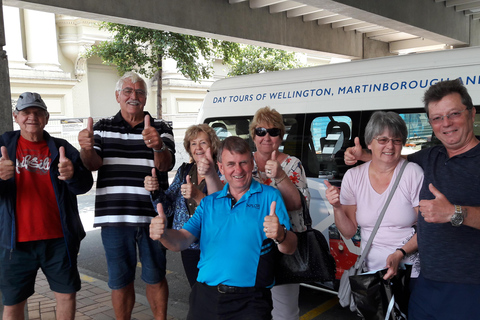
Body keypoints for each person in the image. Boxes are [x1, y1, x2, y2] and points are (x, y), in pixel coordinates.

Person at [344, 79, 480, 319]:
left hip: (470, 284)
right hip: (426, 283)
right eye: (437, 118)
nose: (446, 124)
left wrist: (454, 213)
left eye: (454, 114)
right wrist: (363, 154)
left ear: (472, 113)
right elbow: (389, 158)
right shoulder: (428, 157)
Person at [150, 136, 297, 320]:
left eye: (243, 163)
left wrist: (281, 235)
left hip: (250, 300)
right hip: (205, 298)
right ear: (221, 168)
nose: (238, 170)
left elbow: (290, 248)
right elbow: (183, 239)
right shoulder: (209, 202)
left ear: (252, 164)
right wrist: (163, 234)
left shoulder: (270, 197)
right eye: (231, 164)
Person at [78, 71, 175, 320]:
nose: (134, 96)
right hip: (115, 218)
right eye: (128, 91)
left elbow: (165, 165)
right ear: (118, 96)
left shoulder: (161, 127)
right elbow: (92, 164)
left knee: (155, 275)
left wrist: (158, 146)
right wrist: (86, 148)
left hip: (153, 218)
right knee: (120, 281)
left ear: (145, 98)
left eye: (140, 91)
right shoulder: (101, 127)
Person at [0, 92, 93, 320]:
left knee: (66, 296)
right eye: (26, 112)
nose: (32, 117)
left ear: (46, 118)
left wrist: (72, 175)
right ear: (16, 116)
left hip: (58, 241)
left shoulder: (61, 147)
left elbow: (85, 184)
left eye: (38, 112)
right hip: (15, 244)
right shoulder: (3, 145)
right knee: (13, 304)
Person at [325, 111, 422, 288]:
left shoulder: (412, 173)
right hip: (371, 274)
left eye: (396, 140)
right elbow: (348, 232)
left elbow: (427, 227)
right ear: (369, 143)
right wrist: (337, 207)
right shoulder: (353, 176)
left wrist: (400, 253)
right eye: (383, 140)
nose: (390, 146)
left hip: (410, 273)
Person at [249, 106, 311, 320]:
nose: (267, 136)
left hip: (285, 243)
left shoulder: (292, 164)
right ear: (253, 134)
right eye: (261, 131)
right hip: (250, 246)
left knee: (285, 312)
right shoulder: (244, 163)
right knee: (250, 306)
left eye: (273, 132)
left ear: (281, 136)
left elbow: (297, 204)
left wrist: (280, 175)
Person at [144, 124, 222, 287]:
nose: (198, 148)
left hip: (217, 243)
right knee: (197, 290)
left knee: (217, 292)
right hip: (189, 243)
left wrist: (197, 195)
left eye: (203, 143)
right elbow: (169, 206)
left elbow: (224, 208)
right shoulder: (185, 171)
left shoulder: (222, 171)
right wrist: (155, 191)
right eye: (193, 143)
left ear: (212, 146)